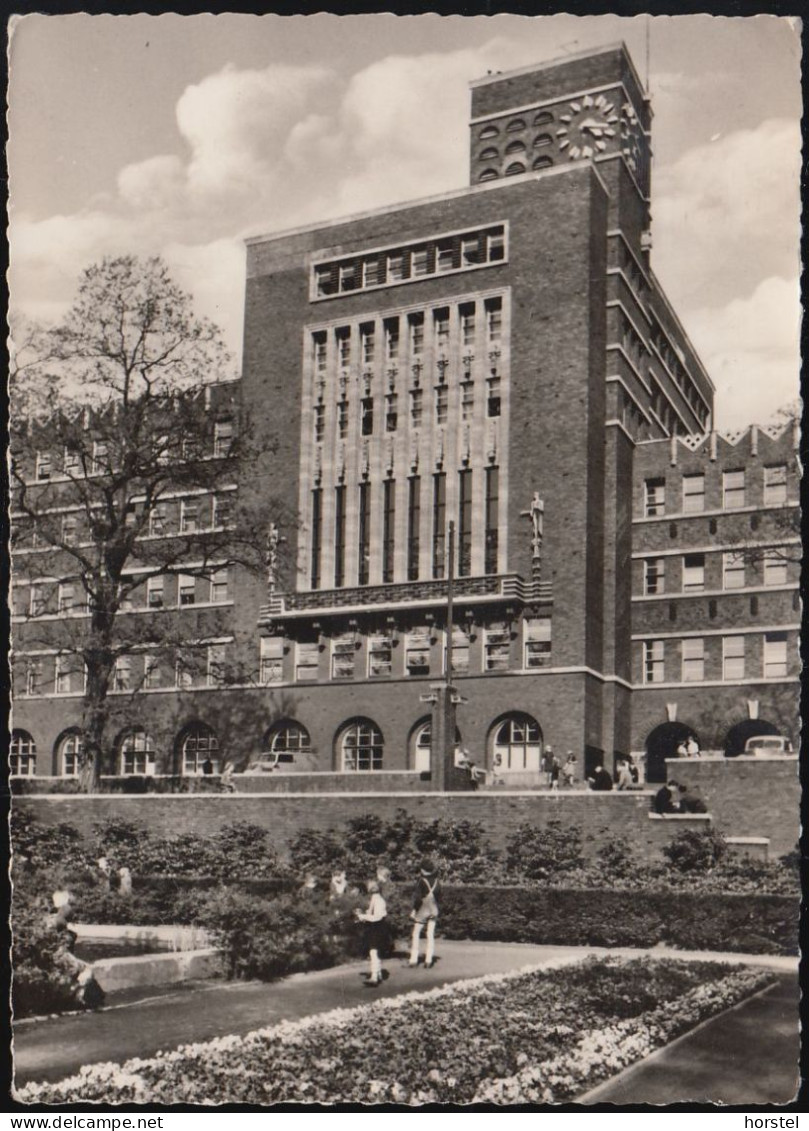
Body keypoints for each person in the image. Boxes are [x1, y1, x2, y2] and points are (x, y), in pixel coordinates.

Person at [354, 879, 388, 987]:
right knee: (374, 951)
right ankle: (377, 974)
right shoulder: (375, 899)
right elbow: (371, 912)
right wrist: (362, 915)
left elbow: (376, 917)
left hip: (377, 927)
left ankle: (375, 976)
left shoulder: (378, 901)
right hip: (375, 927)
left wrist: (362, 916)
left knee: (373, 951)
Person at [408, 858, 441, 968]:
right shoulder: (437, 881)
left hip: (423, 910)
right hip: (433, 910)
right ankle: (429, 960)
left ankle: (413, 959)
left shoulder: (421, 881)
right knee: (430, 934)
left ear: (422, 869)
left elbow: (418, 899)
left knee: (416, 933)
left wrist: (414, 910)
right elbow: (439, 898)